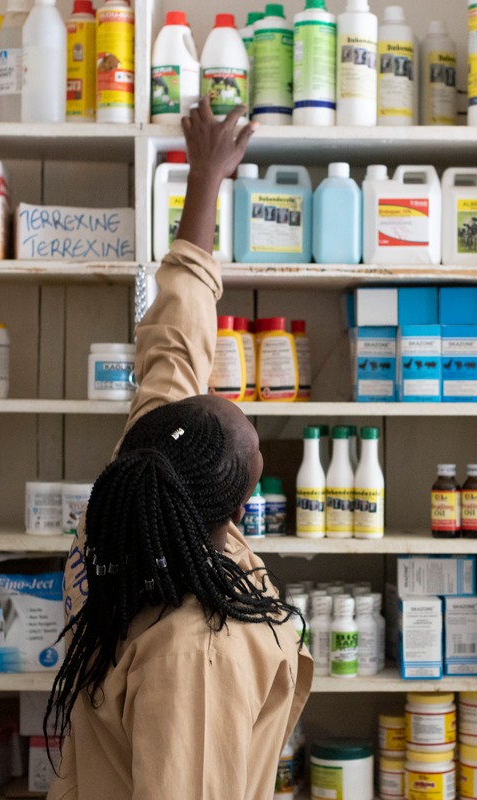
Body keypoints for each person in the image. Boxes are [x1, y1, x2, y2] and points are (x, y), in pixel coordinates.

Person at [46, 98, 312, 800]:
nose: (227, 400)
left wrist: (205, 180)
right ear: (236, 506)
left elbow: (174, 338)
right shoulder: (196, 651)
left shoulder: (144, 479)